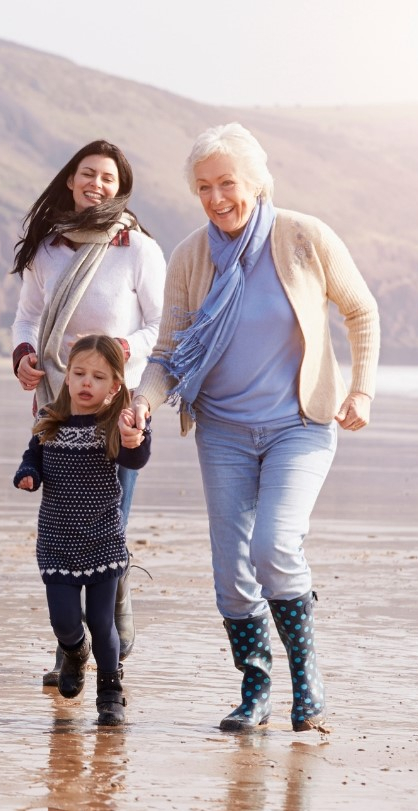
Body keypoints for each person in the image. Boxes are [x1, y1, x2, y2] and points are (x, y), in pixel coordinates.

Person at [123, 122, 380, 733]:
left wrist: (362, 388)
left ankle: (308, 679)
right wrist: (141, 404)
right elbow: (166, 354)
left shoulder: (303, 238)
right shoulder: (190, 257)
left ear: (256, 182)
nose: (217, 199)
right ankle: (256, 688)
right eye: (204, 188)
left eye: (227, 184)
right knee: (231, 571)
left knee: (274, 547)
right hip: (224, 431)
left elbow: (360, 310)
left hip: (301, 424)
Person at [10, 139, 165, 685]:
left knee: (109, 522)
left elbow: (159, 327)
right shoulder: (48, 247)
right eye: (86, 174)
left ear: (119, 187)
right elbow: (27, 317)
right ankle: (70, 645)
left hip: (114, 407)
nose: (95, 184)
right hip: (57, 400)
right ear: (72, 180)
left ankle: (114, 636)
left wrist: (121, 350)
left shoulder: (136, 248)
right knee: (64, 521)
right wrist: (25, 356)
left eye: (107, 177)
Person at [14, 335, 151, 725]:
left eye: (98, 377)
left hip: (103, 541)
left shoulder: (115, 425)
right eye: (79, 374)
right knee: (64, 620)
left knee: (101, 621)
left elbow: (135, 457)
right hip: (57, 540)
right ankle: (74, 651)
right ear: (67, 378)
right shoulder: (49, 421)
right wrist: (28, 473)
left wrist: (134, 436)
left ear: (114, 386)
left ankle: (110, 690)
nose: (86, 383)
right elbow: (32, 457)